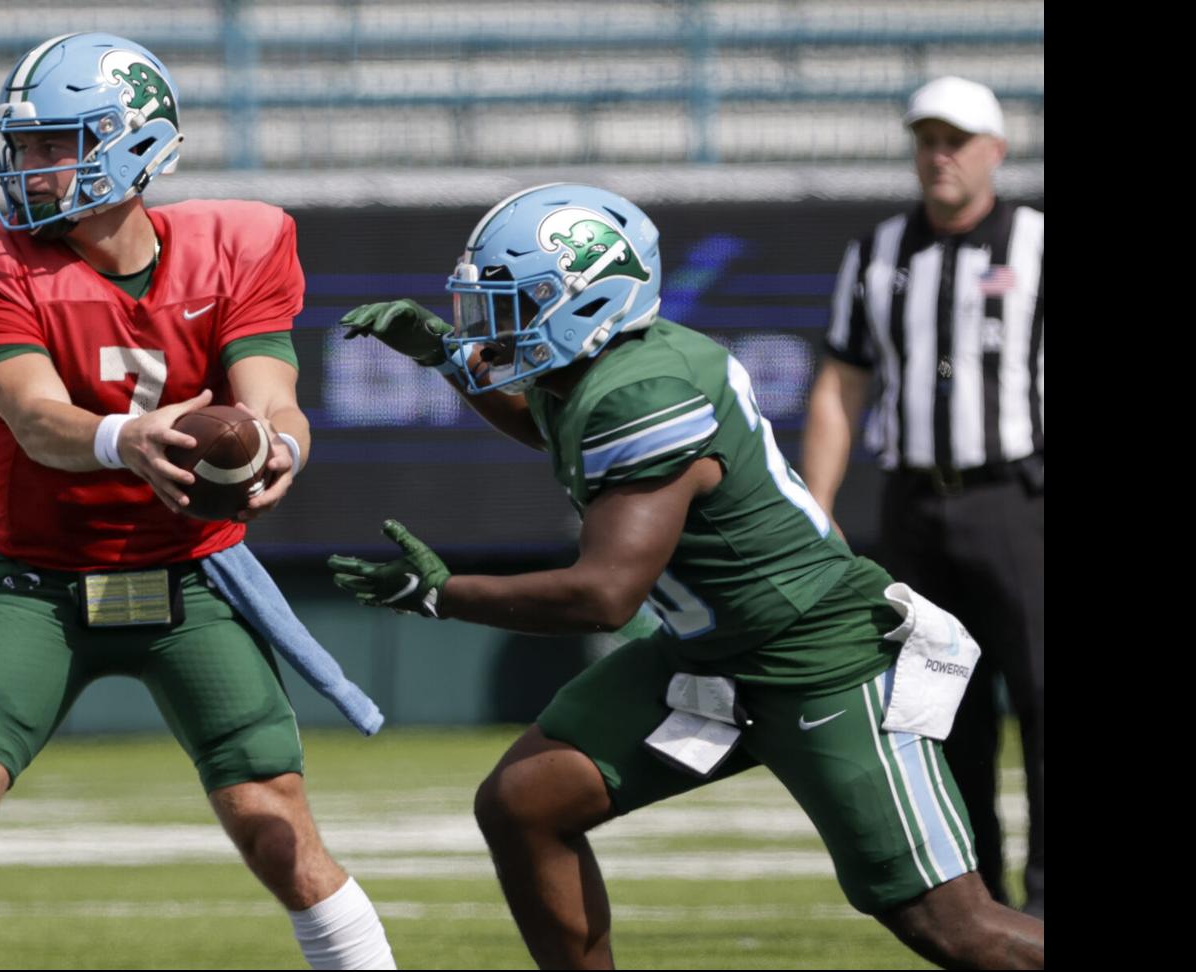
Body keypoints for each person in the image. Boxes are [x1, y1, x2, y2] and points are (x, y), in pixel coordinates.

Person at [330, 182, 1044, 969]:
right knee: (524, 803)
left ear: (588, 299)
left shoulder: (645, 393)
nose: (491, 327)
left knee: (954, 927)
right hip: (716, 655)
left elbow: (605, 594)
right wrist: (445, 358)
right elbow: (548, 422)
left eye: (515, 303)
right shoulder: (605, 366)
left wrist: (445, 594)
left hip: (817, 657)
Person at [0, 33, 394, 970]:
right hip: (41, 583)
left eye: (57, 145)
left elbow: (271, 398)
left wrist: (279, 447)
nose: (33, 168)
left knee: (275, 826)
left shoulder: (238, 243)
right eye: (27, 146)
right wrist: (124, 436)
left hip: (195, 579)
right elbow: (35, 415)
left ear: (133, 145)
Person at [800, 76, 1044, 917]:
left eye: (956, 140)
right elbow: (841, 382)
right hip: (914, 504)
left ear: (995, 152)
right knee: (943, 708)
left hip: (1018, 497)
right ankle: (981, 901)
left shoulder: (1037, 243)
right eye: (927, 139)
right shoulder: (877, 252)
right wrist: (820, 505)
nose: (939, 156)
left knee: (1042, 695)